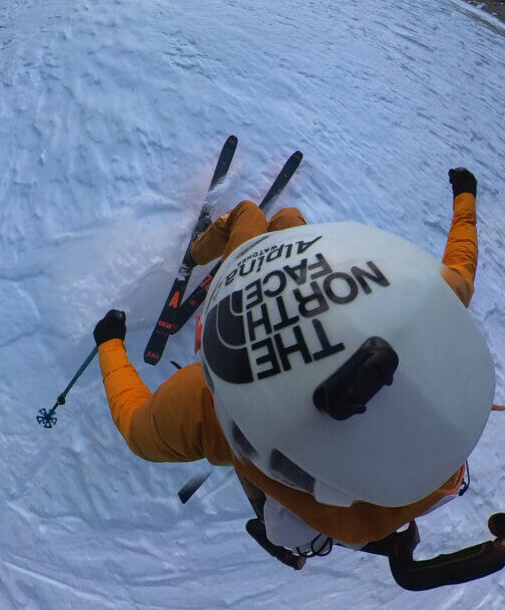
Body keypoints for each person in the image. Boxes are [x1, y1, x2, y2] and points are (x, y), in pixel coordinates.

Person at [93, 167, 494, 569]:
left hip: (276, 286)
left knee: (268, 218)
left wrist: (465, 196)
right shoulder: (378, 500)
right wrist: (109, 345)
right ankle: (215, 248)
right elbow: (139, 429)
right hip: (247, 320)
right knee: (278, 221)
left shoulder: (401, 489)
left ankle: (200, 251)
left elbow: (459, 273)